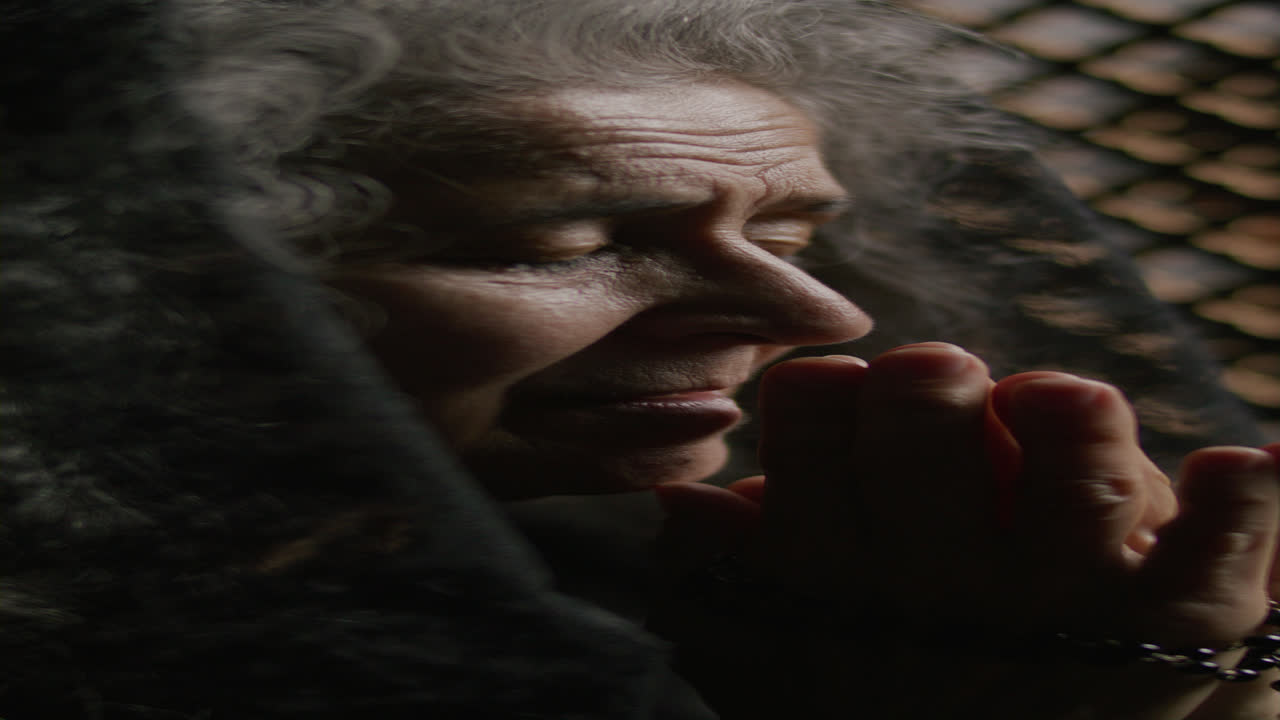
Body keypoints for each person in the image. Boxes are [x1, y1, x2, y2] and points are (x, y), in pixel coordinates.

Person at [2, 0, 1276, 718]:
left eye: (789, 232)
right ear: (129, 273)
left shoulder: (670, 577)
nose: (816, 314)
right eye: (549, 243)